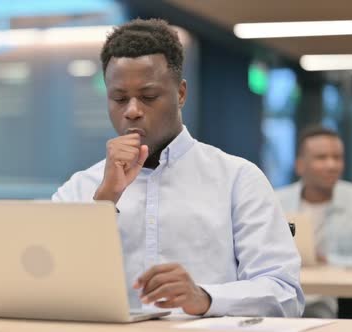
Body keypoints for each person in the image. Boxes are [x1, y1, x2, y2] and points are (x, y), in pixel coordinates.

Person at [52, 18, 304, 317]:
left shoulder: (238, 179)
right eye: (119, 98)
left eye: (148, 97)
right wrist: (104, 200)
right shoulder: (81, 187)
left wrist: (205, 297)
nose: (132, 110)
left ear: (181, 94)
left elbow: (285, 293)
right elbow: (49, 283)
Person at [276, 126, 352, 318]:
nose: (332, 165)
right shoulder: (277, 201)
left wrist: (328, 259)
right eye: (321, 158)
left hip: (342, 302)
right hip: (285, 296)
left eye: (337, 157)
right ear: (300, 165)